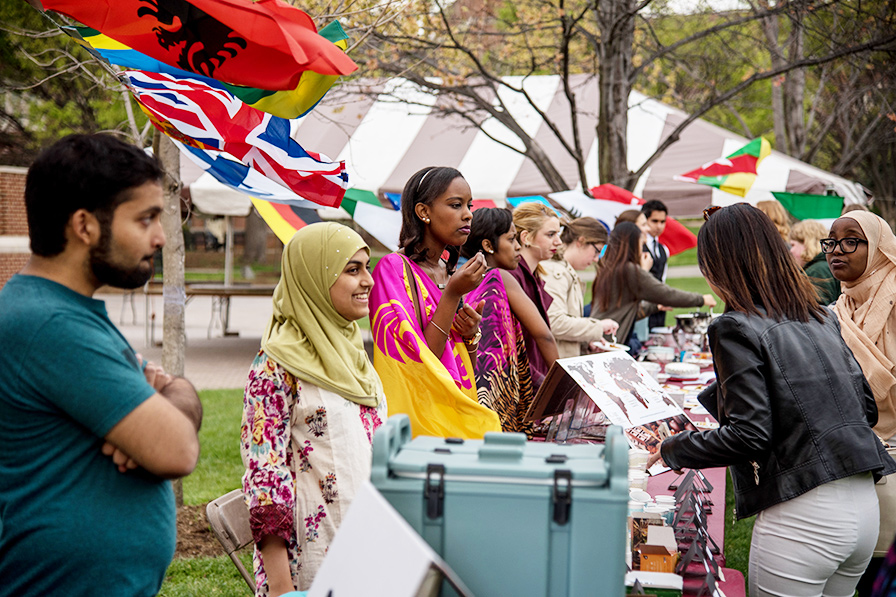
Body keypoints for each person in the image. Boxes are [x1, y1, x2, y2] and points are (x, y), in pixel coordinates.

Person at [649, 203, 895, 597]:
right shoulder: (820, 315)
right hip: (863, 505)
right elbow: (864, 407)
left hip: (804, 513)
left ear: (718, 267)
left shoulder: (733, 326)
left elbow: (749, 434)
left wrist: (673, 449)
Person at [0, 134, 203, 597]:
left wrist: (171, 398)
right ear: (84, 225)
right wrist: (164, 408)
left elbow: (173, 412)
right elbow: (178, 451)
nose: (161, 236)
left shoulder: (64, 312)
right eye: (145, 218)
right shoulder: (47, 324)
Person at [241, 223, 387, 594]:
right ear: (313, 278)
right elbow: (266, 478)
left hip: (370, 551)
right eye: (352, 270)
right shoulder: (276, 366)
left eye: (366, 267)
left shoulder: (352, 353)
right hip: (312, 568)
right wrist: (281, 588)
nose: (368, 281)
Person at [370, 166, 500, 438]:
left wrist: (470, 335)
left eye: (469, 205)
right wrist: (452, 295)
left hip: (457, 409)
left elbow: (462, 364)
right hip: (422, 421)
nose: (468, 214)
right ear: (423, 212)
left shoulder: (449, 271)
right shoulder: (392, 270)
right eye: (455, 205)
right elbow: (421, 359)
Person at [825, 211, 896, 594]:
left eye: (851, 241)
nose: (837, 251)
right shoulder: (841, 308)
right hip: (850, 457)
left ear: (880, 248)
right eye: (831, 242)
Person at [460, 208, 559, 435]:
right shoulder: (499, 276)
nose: (517, 247)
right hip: (500, 392)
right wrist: (559, 388)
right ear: (488, 245)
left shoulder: (463, 277)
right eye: (512, 239)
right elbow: (543, 334)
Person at [591, 222, 714, 346]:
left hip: (598, 337)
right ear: (633, 245)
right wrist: (701, 299)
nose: (642, 250)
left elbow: (625, 310)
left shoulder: (610, 267)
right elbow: (666, 294)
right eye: (641, 245)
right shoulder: (629, 270)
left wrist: (656, 306)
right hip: (605, 342)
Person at [542, 217, 619, 358]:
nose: (596, 259)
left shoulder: (564, 271)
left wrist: (586, 341)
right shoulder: (556, 272)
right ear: (581, 241)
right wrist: (598, 327)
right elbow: (554, 322)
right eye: (596, 251)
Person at [508, 202, 562, 389]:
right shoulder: (512, 276)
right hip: (524, 384)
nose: (558, 242)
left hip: (537, 379)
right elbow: (512, 346)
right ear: (526, 237)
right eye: (550, 234)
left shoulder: (534, 275)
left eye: (558, 234)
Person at [789, 219, 840, 305]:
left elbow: (817, 311)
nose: (791, 251)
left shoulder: (817, 271)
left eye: (793, 245)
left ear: (806, 243)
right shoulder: (823, 266)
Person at [641, 200, 670, 330]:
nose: (659, 226)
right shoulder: (638, 247)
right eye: (654, 221)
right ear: (645, 220)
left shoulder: (664, 249)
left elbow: (662, 279)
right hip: (642, 306)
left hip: (660, 306)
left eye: (662, 222)